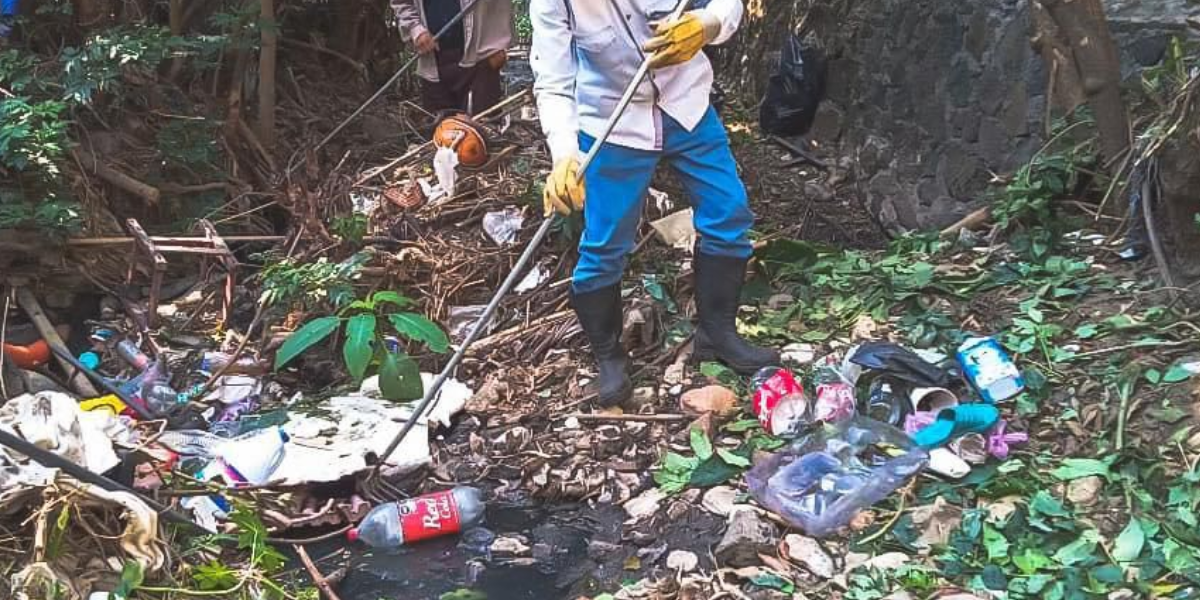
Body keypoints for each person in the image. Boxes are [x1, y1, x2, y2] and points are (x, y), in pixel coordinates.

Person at [531, 0, 779, 408]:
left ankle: (717, 334)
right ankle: (609, 357)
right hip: (612, 121)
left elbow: (728, 4)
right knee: (604, 244)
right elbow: (554, 79)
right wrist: (563, 156)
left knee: (728, 213)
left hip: (688, 106)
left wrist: (707, 23)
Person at [391, 0, 513, 115]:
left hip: (481, 56)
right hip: (433, 60)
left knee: (481, 128)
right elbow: (402, 3)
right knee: (441, 130)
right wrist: (415, 29)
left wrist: (500, 42)